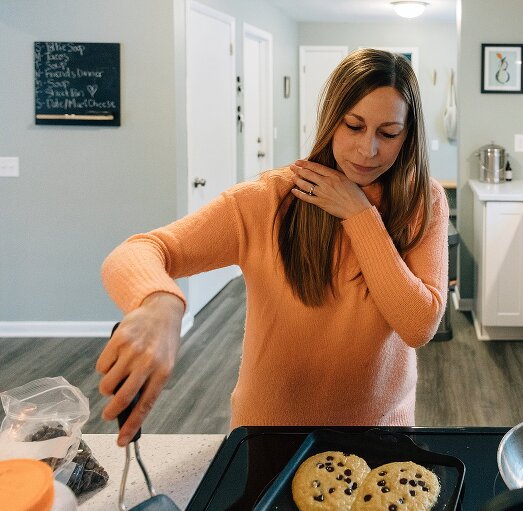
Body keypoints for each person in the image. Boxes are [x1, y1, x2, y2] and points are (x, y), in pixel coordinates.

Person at [96, 48, 449, 446]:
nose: (368, 150)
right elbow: (141, 249)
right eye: (353, 126)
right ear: (331, 120)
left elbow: (419, 324)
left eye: (388, 133)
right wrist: (161, 302)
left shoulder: (424, 201)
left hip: (382, 430)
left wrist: (359, 215)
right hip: (270, 434)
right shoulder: (269, 200)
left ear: (409, 135)